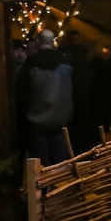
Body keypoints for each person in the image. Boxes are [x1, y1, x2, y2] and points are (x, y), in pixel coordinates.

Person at [16, 29, 74, 166]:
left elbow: (22, 95)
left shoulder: (30, 65)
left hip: (36, 122)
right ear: (52, 42)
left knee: (40, 166)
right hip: (60, 122)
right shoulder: (65, 65)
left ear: (37, 42)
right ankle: (59, 187)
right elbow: (73, 90)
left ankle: (44, 188)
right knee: (60, 164)